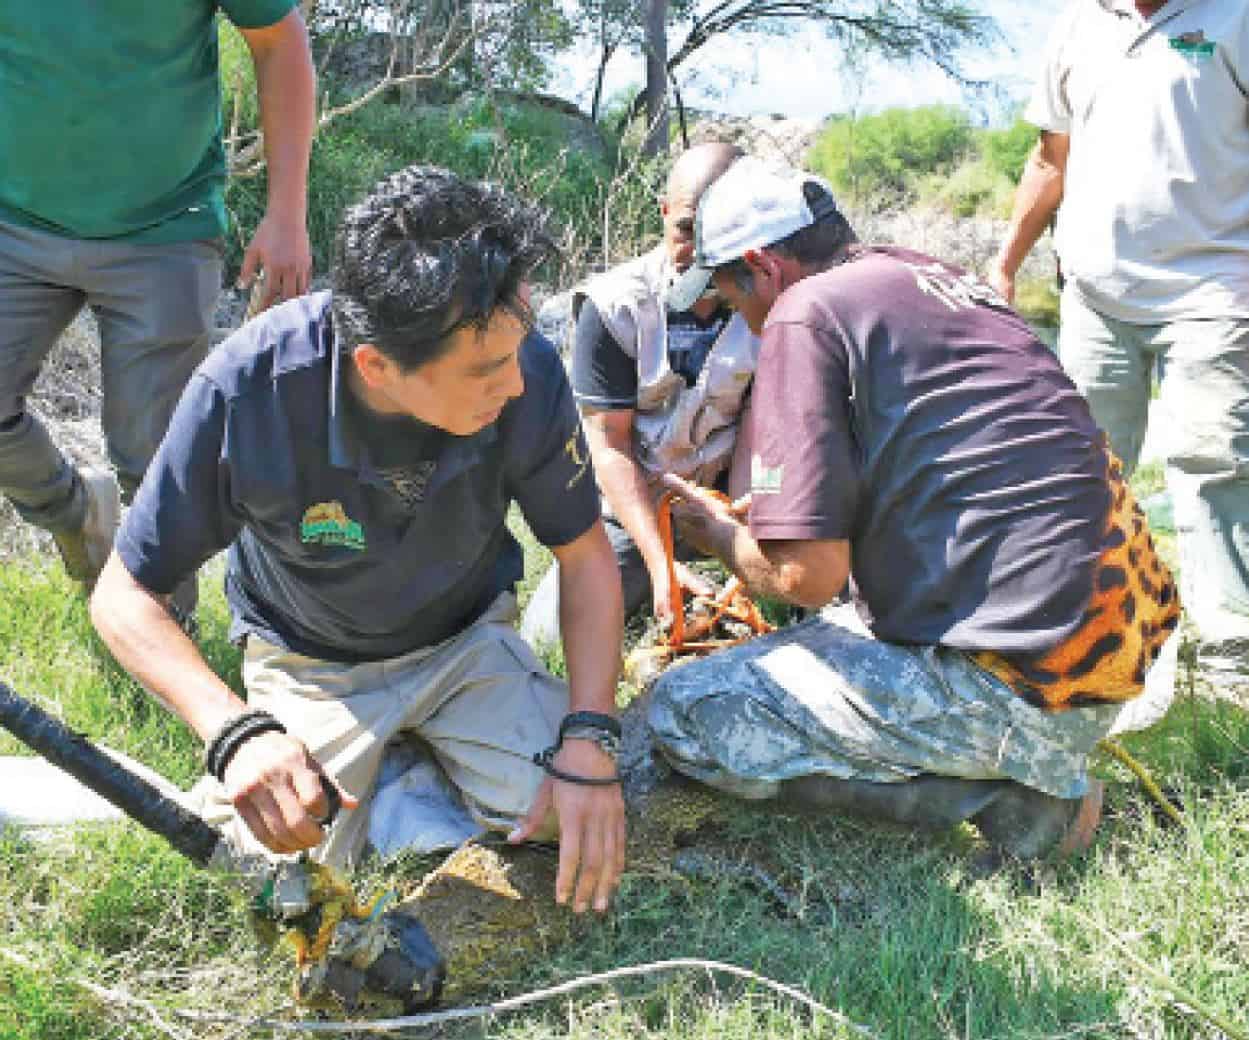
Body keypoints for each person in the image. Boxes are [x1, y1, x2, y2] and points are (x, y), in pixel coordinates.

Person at [89, 166, 627, 914]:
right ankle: (393, 771)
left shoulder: (524, 365)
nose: (513, 385)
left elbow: (585, 555)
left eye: (515, 354)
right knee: (268, 880)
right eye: (485, 371)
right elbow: (123, 595)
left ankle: (407, 766)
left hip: (464, 642)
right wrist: (235, 732)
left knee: (570, 812)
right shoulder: (248, 389)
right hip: (311, 662)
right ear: (377, 364)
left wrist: (590, 736)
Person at [648, 157, 1181, 861]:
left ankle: (1022, 802)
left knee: (682, 710)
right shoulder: (935, 278)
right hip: (1123, 641)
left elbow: (805, 578)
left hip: (1030, 682)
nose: (730, 313)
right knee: (831, 632)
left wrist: (715, 533)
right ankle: (1022, 756)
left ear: (762, 266)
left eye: (724, 290)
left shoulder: (802, 314)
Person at [0, 2, 316, 623]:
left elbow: (279, 42)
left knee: (154, 457)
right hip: (13, 221)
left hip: (164, 229)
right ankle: (75, 514)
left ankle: (164, 632)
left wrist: (286, 214)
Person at [989, 0, 1249, 683]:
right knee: (1081, 466)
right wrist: (1005, 263)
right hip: (1094, 293)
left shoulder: (1235, 16)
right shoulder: (1078, 21)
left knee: (1213, 461)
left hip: (1216, 287)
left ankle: (1230, 653)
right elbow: (1050, 159)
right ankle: (1079, 634)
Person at [520, 142, 758, 647]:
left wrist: (740, 541)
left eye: (717, 233)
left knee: (813, 592)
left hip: (727, 503)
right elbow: (610, 444)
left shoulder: (767, 303)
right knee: (546, 637)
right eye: (686, 230)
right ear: (665, 212)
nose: (699, 249)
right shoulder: (614, 306)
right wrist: (660, 565)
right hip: (632, 512)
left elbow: (760, 430)